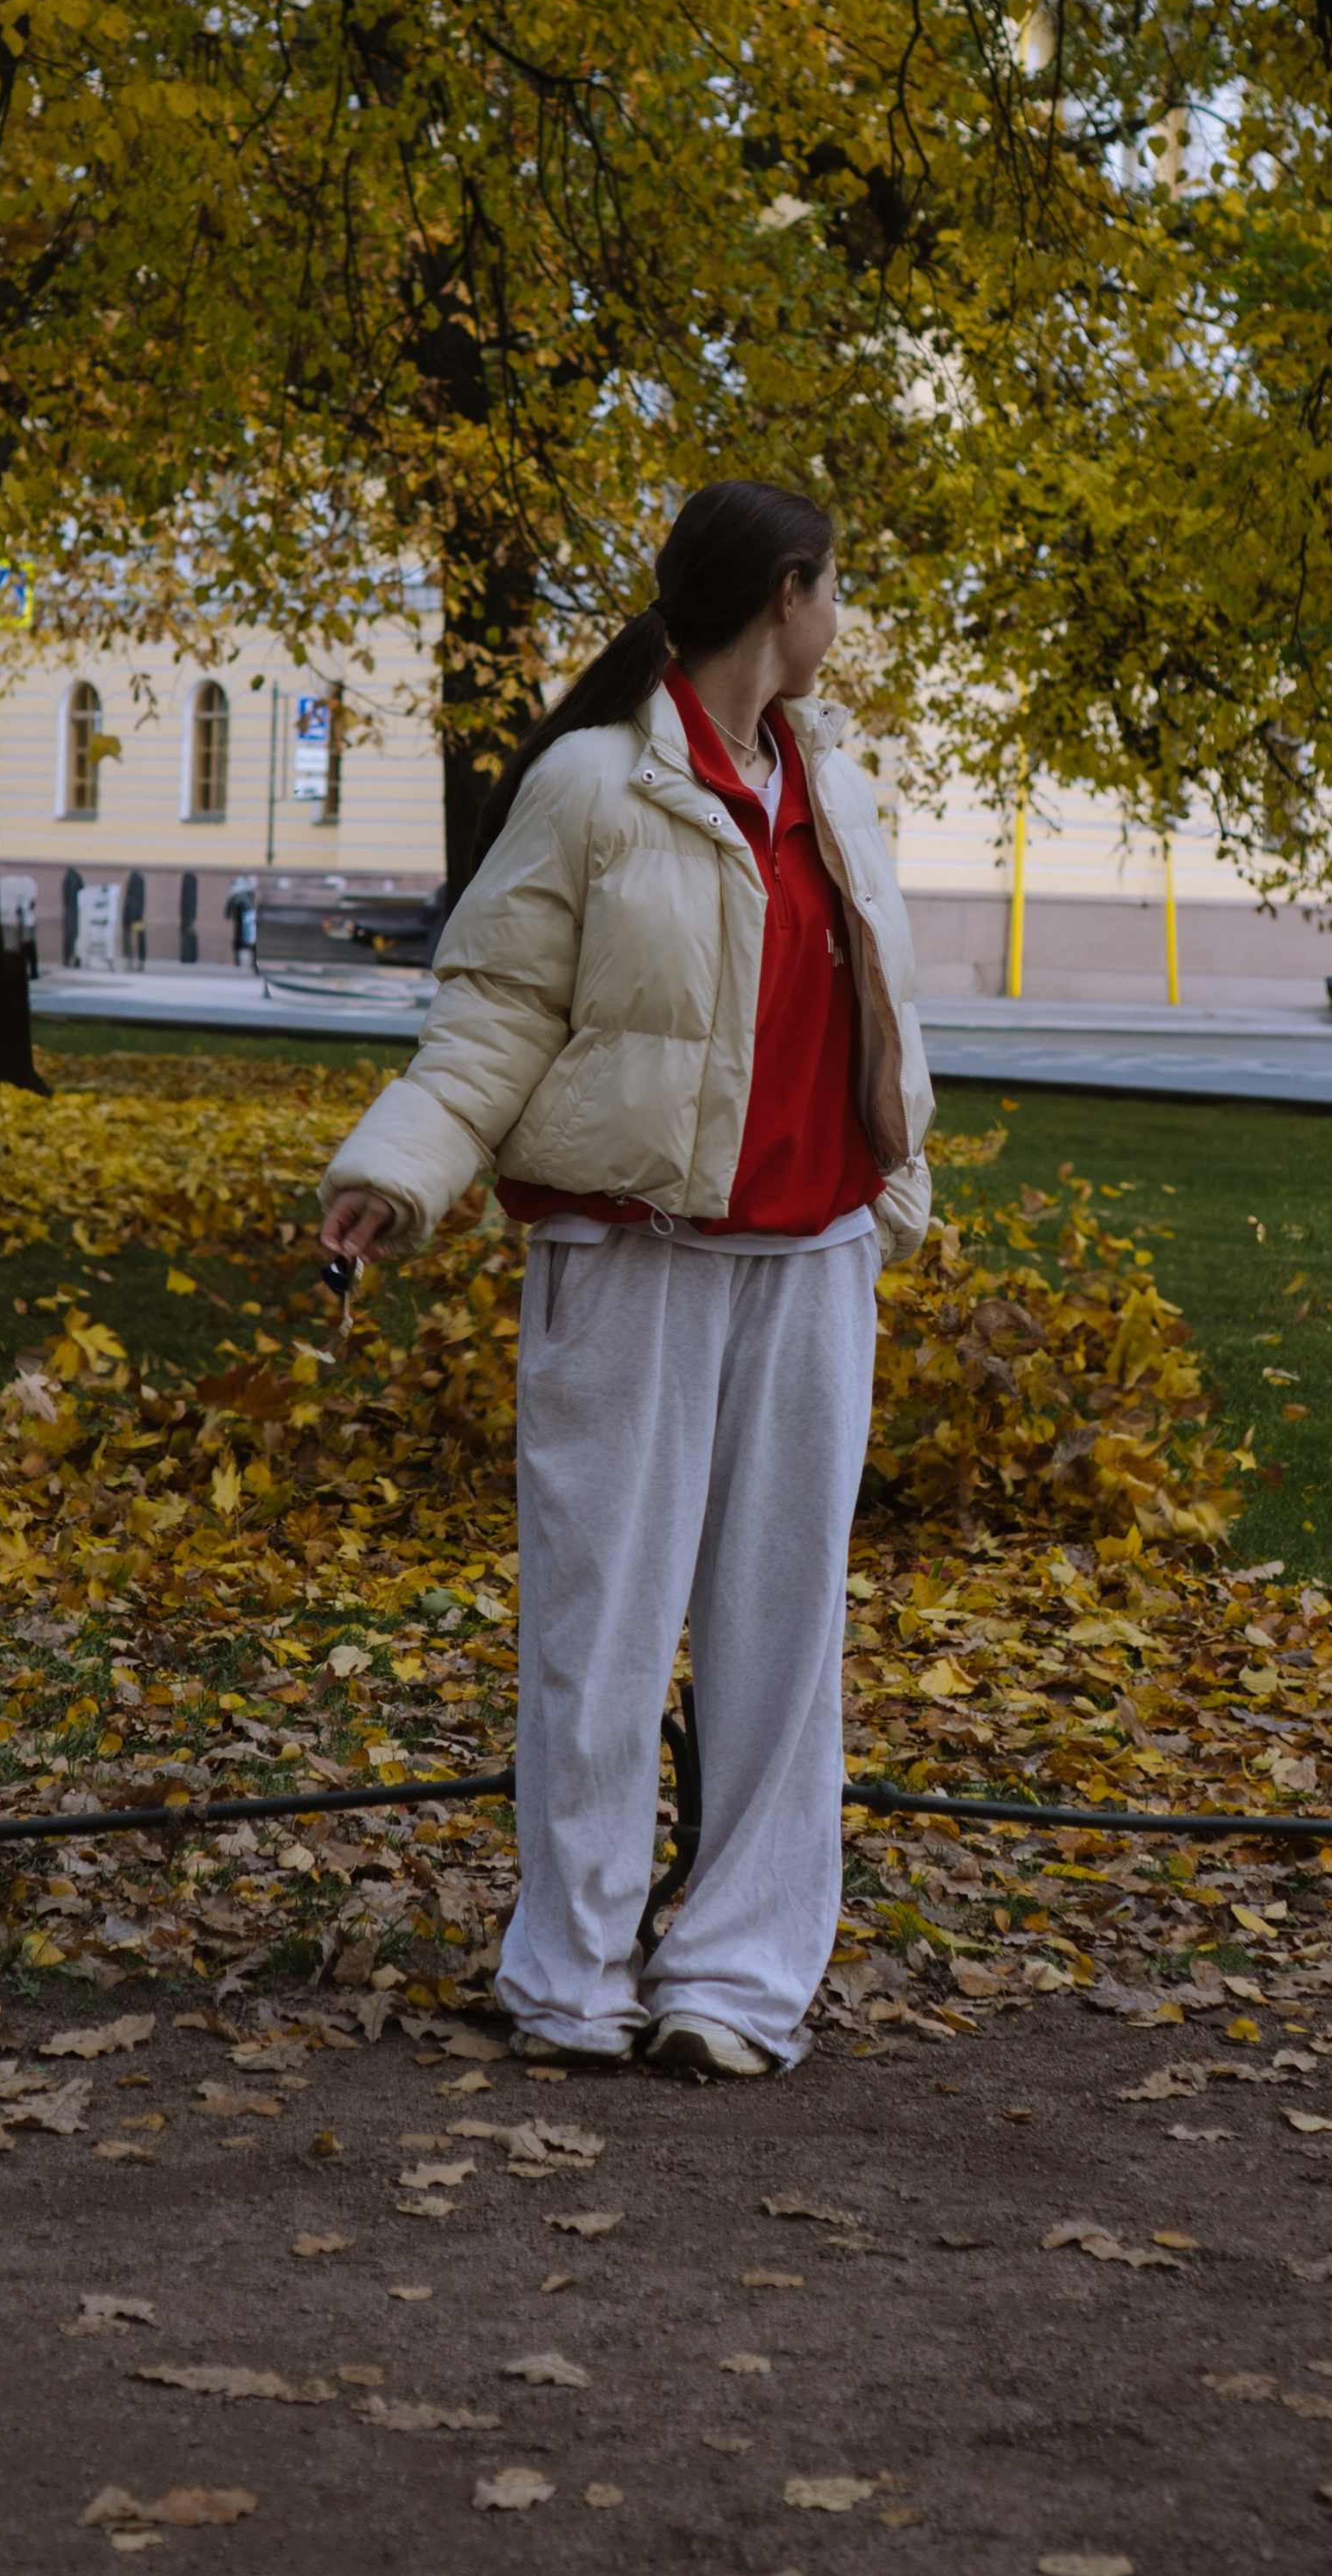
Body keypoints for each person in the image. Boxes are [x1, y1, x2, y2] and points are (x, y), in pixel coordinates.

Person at [318, 481, 933, 2082]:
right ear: (785, 596)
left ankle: (733, 1981)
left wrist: (897, 1185)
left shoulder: (834, 789)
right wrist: (400, 1171)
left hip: (812, 1267)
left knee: (778, 1641)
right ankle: (573, 1973)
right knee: (600, 1630)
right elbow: (497, 1011)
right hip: (632, 1258)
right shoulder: (594, 783)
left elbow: (879, 1019)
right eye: (836, 587)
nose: (841, 616)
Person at [224, 871, 259, 967]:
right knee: (246, 939)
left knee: (246, 939)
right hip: (244, 928)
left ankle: (244, 961)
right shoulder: (246, 895)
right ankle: (245, 961)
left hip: (245, 928)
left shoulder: (239, 894)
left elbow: (229, 909)